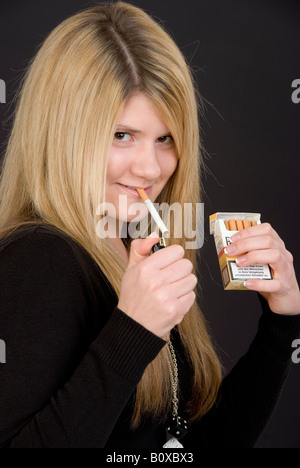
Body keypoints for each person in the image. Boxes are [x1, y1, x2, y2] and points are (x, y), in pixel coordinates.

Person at [0, 1, 299, 449]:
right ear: (62, 135)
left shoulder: (135, 240)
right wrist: (134, 330)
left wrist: (282, 323)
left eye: (166, 139)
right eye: (122, 135)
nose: (149, 168)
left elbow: (188, 445)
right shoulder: (38, 260)